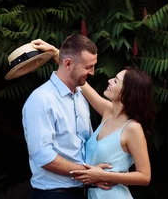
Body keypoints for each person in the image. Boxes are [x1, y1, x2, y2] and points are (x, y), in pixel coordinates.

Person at [22, 35, 112, 199]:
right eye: (88, 67)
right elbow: (44, 157)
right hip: (53, 194)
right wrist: (89, 174)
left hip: (82, 192)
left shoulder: (80, 95)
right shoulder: (41, 99)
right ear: (68, 64)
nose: (92, 73)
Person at [70, 67, 155, 198]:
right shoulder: (109, 113)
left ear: (126, 93)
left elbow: (144, 177)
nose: (109, 81)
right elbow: (83, 85)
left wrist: (101, 175)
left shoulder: (132, 128)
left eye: (116, 81)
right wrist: (55, 54)